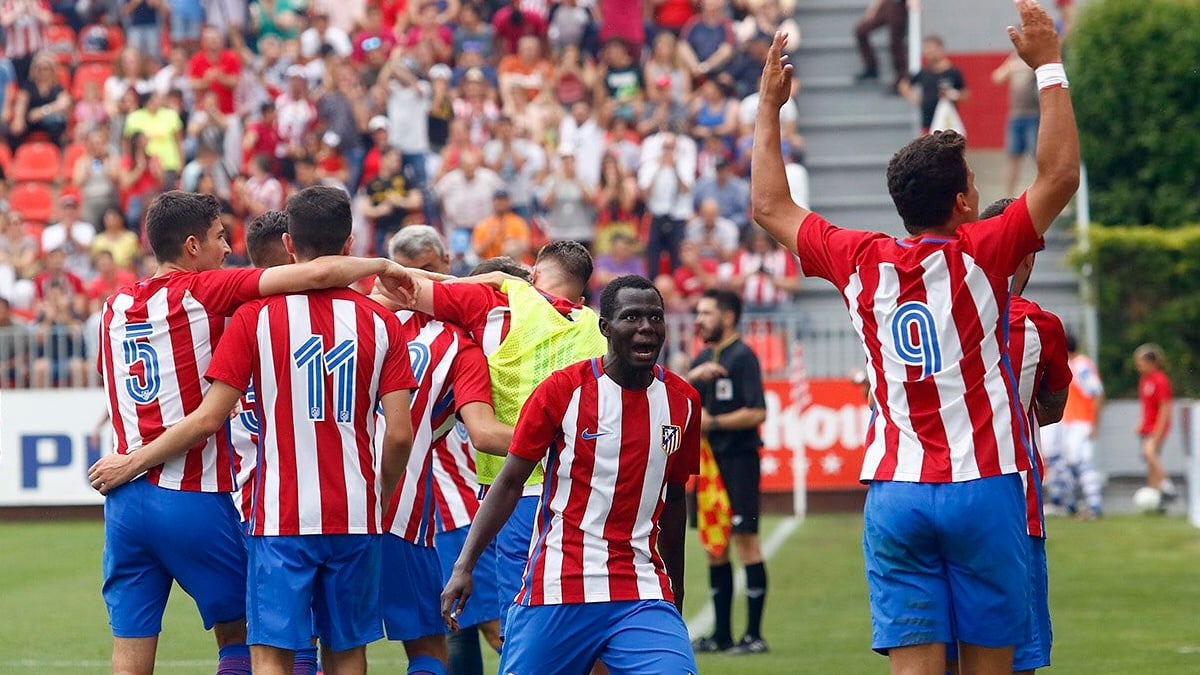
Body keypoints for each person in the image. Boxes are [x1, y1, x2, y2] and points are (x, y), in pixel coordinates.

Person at [750, 1, 1080, 669]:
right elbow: (1059, 176)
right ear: (962, 203)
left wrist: (768, 110)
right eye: (973, 184)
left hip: (896, 489)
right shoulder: (983, 251)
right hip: (983, 481)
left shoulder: (860, 257)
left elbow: (770, 207)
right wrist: (1050, 67)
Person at [84, 190, 416, 675]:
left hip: (122, 504)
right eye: (220, 238)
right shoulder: (205, 291)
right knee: (258, 632)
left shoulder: (113, 308)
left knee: (130, 650)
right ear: (193, 246)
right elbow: (318, 273)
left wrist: (129, 461)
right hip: (189, 491)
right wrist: (383, 266)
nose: (227, 249)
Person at [441, 274, 702, 674]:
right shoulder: (562, 391)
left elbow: (673, 500)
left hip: (641, 589)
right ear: (605, 328)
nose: (646, 327)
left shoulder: (683, 402)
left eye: (655, 317)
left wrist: (675, 590)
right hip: (558, 583)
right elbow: (509, 482)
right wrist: (465, 565)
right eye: (632, 317)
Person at [385, 240, 607, 641]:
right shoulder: (597, 328)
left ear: (534, 276)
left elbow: (396, 287)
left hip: (515, 492)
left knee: (517, 623)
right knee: (584, 621)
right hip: (584, 493)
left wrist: (486, 281)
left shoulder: (498, 305)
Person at [380, 226, 516, 675]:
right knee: (459, 626)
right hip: (426, 503)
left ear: (446, 265)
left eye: (428, 272)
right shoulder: (447, 340)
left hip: (457, 503)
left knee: (490, 625)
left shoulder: (473, 331)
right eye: (409, 274)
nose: (417, 285)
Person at [945, 196, 1071, 675]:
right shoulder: (1038, 325)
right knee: (1014, 660)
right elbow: (1052, 410)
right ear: (1024, 252)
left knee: (944, 656)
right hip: (1015, 508)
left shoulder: (940, 309)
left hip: (933, 492)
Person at [687, 289, 770, 655]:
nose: (699, 319)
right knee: (713, 546)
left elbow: (757, 412)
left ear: (728, 317)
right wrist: (692, 376)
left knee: (745, 542)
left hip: (738, 461)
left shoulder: (743, 357)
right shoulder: (703, 358)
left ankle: (753, 635)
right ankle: (721, 634)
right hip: (706, 466)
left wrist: (714, 421)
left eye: (706, 313)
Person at [1043, 333, 1105, 518]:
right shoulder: (1070, 365)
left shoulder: (1082, 366)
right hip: (1069, 423)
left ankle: (1094, 505)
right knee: (1065, 464)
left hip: (1081, 423)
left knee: (1082, 463)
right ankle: (1068, 504)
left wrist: (1093, 422)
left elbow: (1097, 393)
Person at [900, 35, 969, 134]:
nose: (929, 52)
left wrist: (953, 95)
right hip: (928, 121)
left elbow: (965, 94)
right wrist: (915, 99)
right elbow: (904, 84)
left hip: (946, 121)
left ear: (941, 49)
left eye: (931, 48)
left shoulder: (953, 72)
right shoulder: (924, 72)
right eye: (926, 49)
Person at [993, 52, 1040, 196]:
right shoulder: (1014, 57)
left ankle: (1049, 192)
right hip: (1015, 115)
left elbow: (1037, 69)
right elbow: (997, 77)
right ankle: (1008, 195)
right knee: (1013, 158)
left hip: (1033, 115)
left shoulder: (1034, 56)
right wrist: (1013, 66)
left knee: (1038, 157)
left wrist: (1017, 67)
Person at [1134, 343, 1175, 502]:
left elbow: (1165, 408)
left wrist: (1158, 431)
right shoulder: (1144, 380)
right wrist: (1141, 423)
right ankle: (1156, 497)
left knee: (1149, 452)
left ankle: (1167, 485)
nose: (1139, 366)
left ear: (1151, 362)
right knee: (1150, 462)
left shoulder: (1160, 380)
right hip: (1148, 426)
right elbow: (1147, 406)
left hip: (1157, 426)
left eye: (1141, 362)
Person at [853, 0, 907, 90]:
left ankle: (901, 80)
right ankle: (871, 67)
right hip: (888, 4)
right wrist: (874, 8)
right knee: (861, 31)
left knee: (896, 43)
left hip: (900, 5)